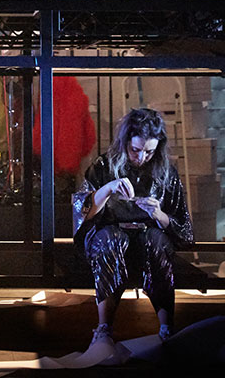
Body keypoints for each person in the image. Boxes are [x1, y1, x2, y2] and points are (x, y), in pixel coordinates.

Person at [72, 107, 193, 346]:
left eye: (149, 152)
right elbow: (83, 214)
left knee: (156, 240)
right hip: (111, 237)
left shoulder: (166, 173)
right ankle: (103, 328)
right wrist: (108, 189)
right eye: (135, 150)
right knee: (110, 239)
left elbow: (184, 229)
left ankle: (167, 328)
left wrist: (159, 214)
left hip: (149, 238)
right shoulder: (104, 166)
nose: (141, 157)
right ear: (125, 142)